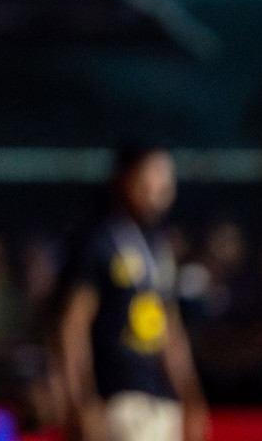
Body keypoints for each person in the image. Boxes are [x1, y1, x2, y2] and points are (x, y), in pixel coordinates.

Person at [60, 147, 209, 441]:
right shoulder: (97, 241)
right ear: (128, 179)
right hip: (118, 403)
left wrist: (191, 398)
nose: (164, 185)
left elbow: (171, 332)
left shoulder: (157, 247)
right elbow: (72, 327)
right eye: (155, 174)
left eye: (168, 176)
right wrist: (83, 400)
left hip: (162, 402)